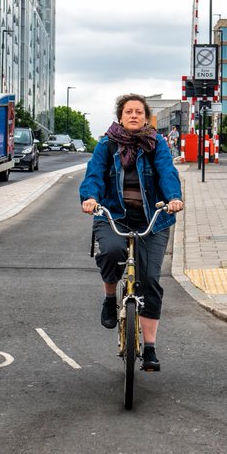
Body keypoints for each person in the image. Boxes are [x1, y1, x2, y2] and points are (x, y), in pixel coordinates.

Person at [79, 93, 184, 371]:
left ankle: (149, 348)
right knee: (112, 251)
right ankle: (109, 297)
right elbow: (94, 174)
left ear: (146, 116)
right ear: (120, 116)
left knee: (150, 279)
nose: (134, 115)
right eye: (129, 112)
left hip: (153, 219)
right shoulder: (107, 144)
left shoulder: (156, 144)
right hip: (114, 214)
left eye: (139, 111)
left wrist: (174, 198)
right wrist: (90, 198)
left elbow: (167, 172)